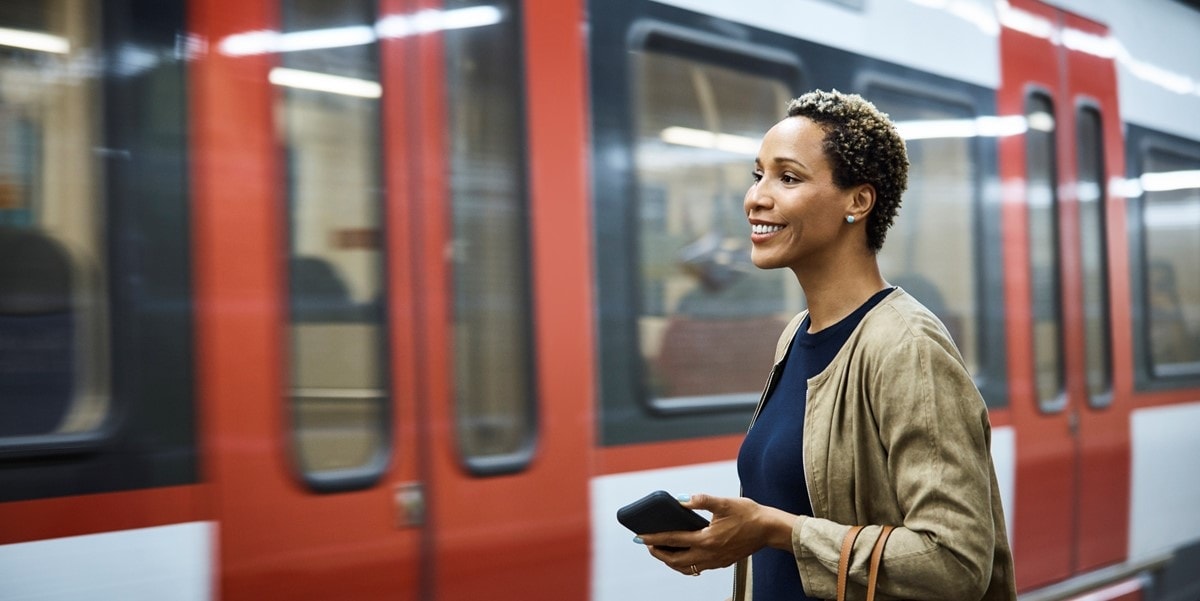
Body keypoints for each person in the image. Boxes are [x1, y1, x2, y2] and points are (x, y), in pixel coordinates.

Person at [635, 90, 1017, 601]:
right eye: (758, 175)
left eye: (788, 178)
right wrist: (729, 540)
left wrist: (778, 531)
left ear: (857, 202)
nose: (756, 198)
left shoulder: (907, 346)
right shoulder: (795, 336)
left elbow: (954, 561)